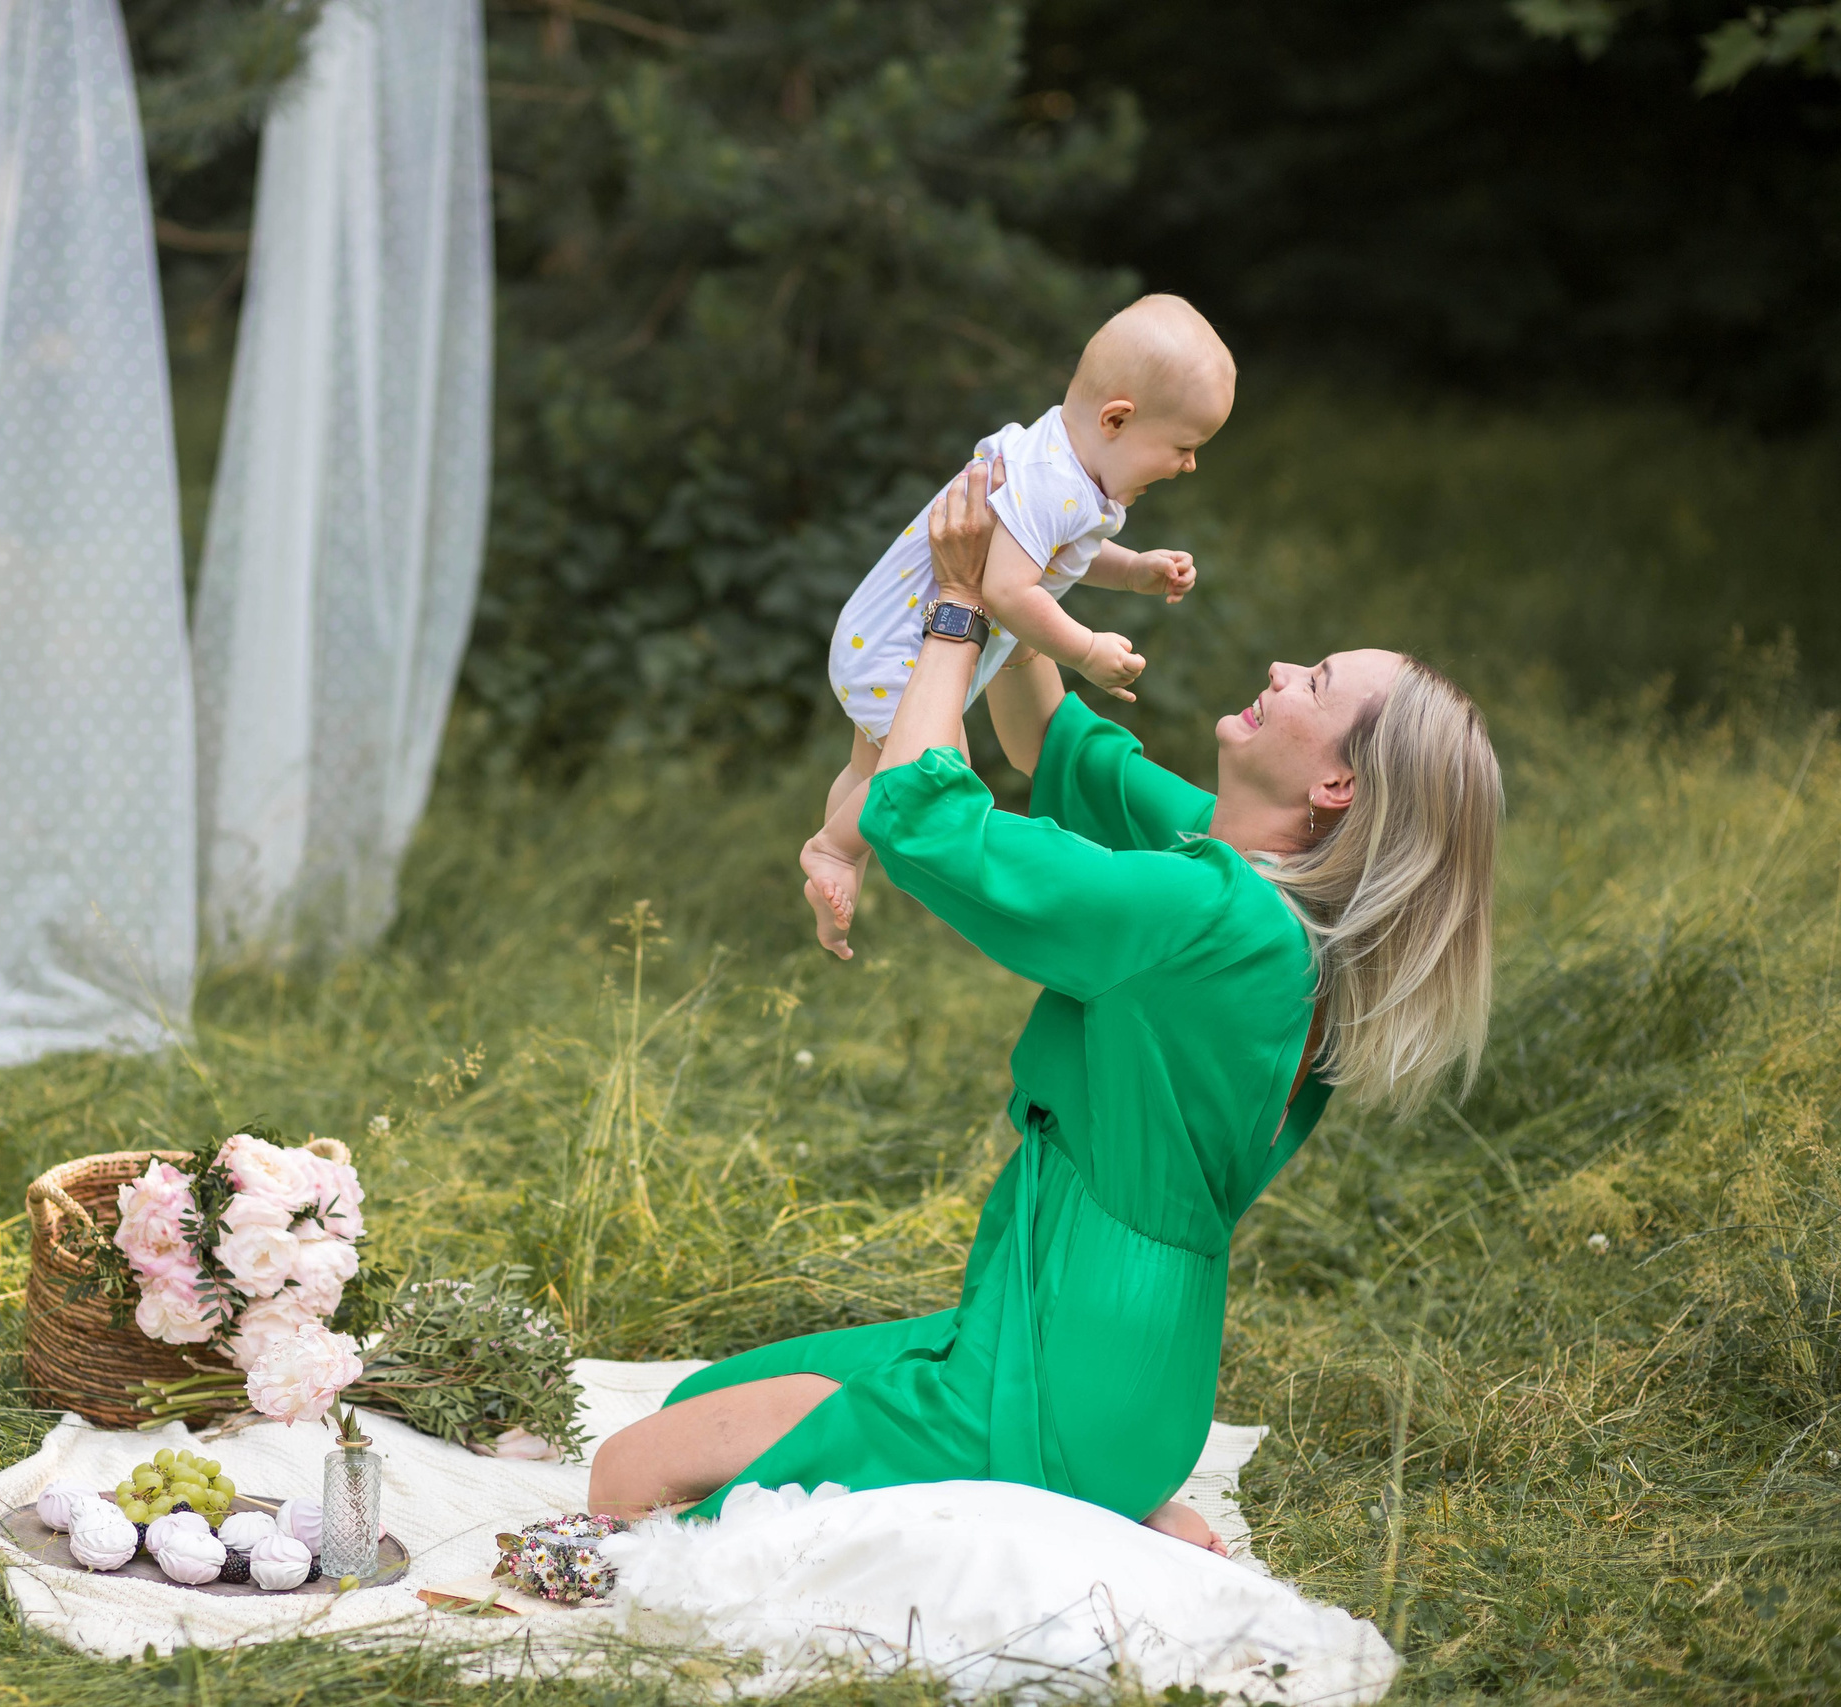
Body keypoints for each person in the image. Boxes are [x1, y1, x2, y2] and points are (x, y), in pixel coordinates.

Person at [589, 456, 1501, 1551]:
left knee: (626, 1476)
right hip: (1105, 1349)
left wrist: (956, 610)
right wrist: (1029, 557)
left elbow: (922, 821)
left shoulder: (1205, 917)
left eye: (1312, 680)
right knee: (710, 1393)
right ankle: (1102, 1494)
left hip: (1073, 1352)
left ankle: (1058, 1483)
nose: (1278, 668)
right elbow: (1051, 744)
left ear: (1337, 787)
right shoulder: (1255, 889)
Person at [803, 294, 1233, 961]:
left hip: (885, 637)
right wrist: (1086, 650)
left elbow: (1061, 556)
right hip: (898, 649)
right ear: (1117, 418)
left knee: (873, 765)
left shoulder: (1071, 475)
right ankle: (834, 847)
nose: (1189, 465)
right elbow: (1006, 589)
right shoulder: (1049, 480)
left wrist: (1138, 571)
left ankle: (841, 859)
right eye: (1183, 446)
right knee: (931, 774)